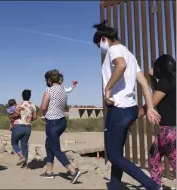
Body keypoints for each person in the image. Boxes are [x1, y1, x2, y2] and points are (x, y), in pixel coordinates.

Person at [93, 20, 161, 190]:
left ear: (103, 39)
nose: (99, 50)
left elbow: (121, 66)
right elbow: (144, 83)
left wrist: (107, 88)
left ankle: (153, 186)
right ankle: (115, 186)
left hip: (119, 110)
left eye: (97, 45)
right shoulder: (129, 53)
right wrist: (150, 107)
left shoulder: (113, 49)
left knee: (113, 155)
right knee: (118, 153)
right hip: (129, 109)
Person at [138, 54, 176, 188]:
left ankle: (156, 185)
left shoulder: (166, 81)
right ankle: (156, 185)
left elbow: (152, 102)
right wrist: (151, 78)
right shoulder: (171, 81)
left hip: (169, 131)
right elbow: (159, 91)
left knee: (173, 159)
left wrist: (135, 115)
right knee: (154, 153)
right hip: (170, 131)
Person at [40, 70, 80, 183]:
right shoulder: (63, 89)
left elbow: (43, 107)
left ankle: (73, 171)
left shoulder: (49, 90)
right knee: (49, 145)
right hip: (62, 121)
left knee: (55, 149)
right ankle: (49, 171)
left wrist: (44, 108)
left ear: (49, 80)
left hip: (52, 122)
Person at [9, 89, 37, 168]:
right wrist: (28, 119)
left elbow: (15, 115)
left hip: (18, 126)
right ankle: (25, 164)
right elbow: (35, 117)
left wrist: (10, 116)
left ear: (22, 96)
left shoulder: (18, 105)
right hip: (27, 127)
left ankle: (21, 157)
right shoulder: (33, 105)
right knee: (24, 145)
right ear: (30, 96)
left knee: (14, 142)